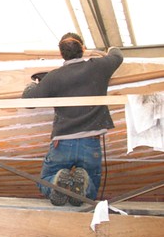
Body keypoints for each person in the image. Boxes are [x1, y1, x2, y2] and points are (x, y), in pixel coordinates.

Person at [22, 32, 123, 206]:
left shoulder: (54, 76)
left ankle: (55, 182)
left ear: (61, 53)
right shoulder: (98, 67)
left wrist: (34, 85)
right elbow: (117, 55)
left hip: (62, 143)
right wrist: (107, 50)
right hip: (91, 143)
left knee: (45, 179)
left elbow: (29, 101)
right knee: (90, 192)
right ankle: (82, 186)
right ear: (82, 48)